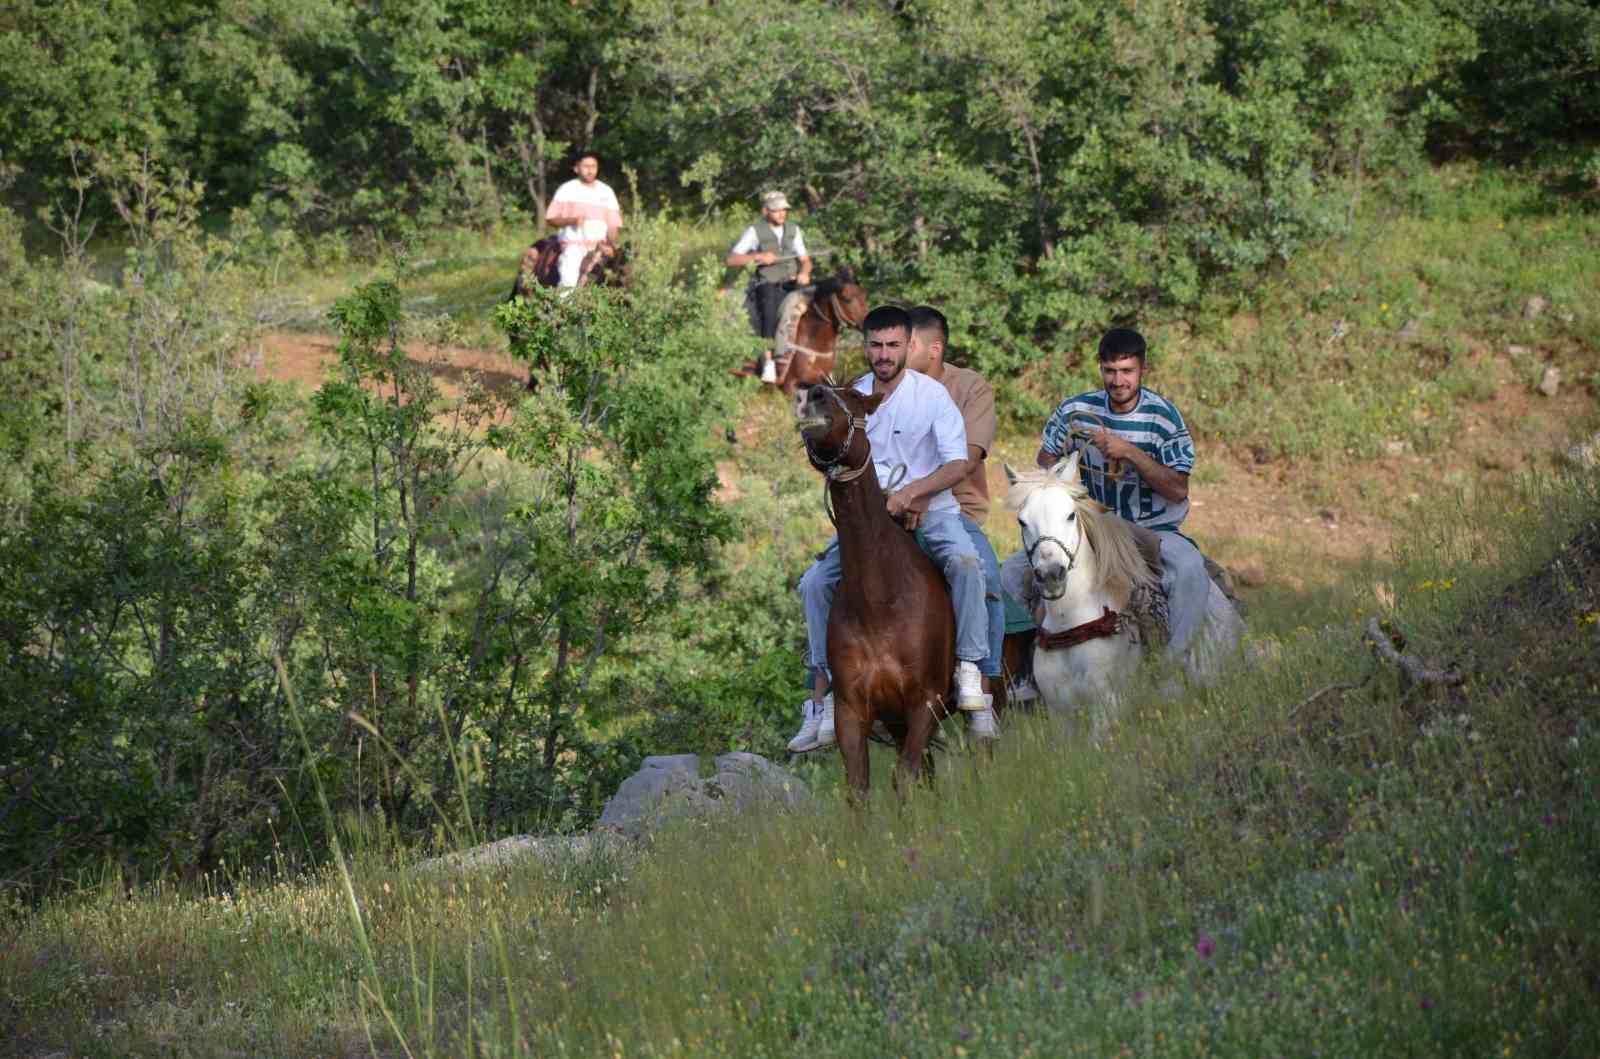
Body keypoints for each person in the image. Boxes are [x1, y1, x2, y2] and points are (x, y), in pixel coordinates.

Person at [788, 305, 989, 753]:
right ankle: (823, 696)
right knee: (815, 582)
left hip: (932, 509)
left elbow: (958, 462)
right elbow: (830, 455)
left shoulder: (931, 396)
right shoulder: (851, 394)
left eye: (893, 345)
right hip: (871, 520)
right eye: (876, 345)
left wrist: (914, 494)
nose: (883, 354)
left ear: (908, 347)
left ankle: (971, 668)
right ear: (866, 346)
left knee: (966, 561)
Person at [1004, 327, 1211, 669]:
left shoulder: (1163, 417)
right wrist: (1065, 469)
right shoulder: (1075, 410)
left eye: (1127, 371)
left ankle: (1175, 661)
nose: (1118, 380)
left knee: (1190, 569)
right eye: (1110, 371)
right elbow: (1044, 464)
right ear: (1100, 367)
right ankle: (1020, 668)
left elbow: (1177, 489)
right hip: (1092, 524)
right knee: (1011, 571)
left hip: (1152, 528)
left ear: (1142, 369)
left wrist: (1130, 452)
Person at [905, 305, 1002, 740]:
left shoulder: (972, 389)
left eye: (908, 344)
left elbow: (969, 458)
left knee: (987, 577)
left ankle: (985, 688)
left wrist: (921, 494)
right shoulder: (891, 388)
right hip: (898, 507)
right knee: (830, 578)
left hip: (955, 508)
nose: (896, 353)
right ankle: (832, 695)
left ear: (934, 348)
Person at [725, 191, 812, 384]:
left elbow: (805, 260)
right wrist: (758, 257)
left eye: (784, 210)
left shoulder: (794, 230)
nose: (781, 214)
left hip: (792, 282)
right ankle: (769, 362)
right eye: (776, 210)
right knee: (769, 312)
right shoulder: (755, 231)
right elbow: (732, 259)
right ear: (766, 211)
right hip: (767, 283)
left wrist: (804, 273)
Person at [543, 151, 622, 290]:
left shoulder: (607, 192)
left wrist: (610, 244)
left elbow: (613, 224)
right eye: (586, 166)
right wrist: (570, 220)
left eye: (594, 166)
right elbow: (550, 218)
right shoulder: (567, 189)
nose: (590, 170)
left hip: (600, 246)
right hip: (574, 245)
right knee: (569, 275)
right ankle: (565, 306)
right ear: (576, 168)